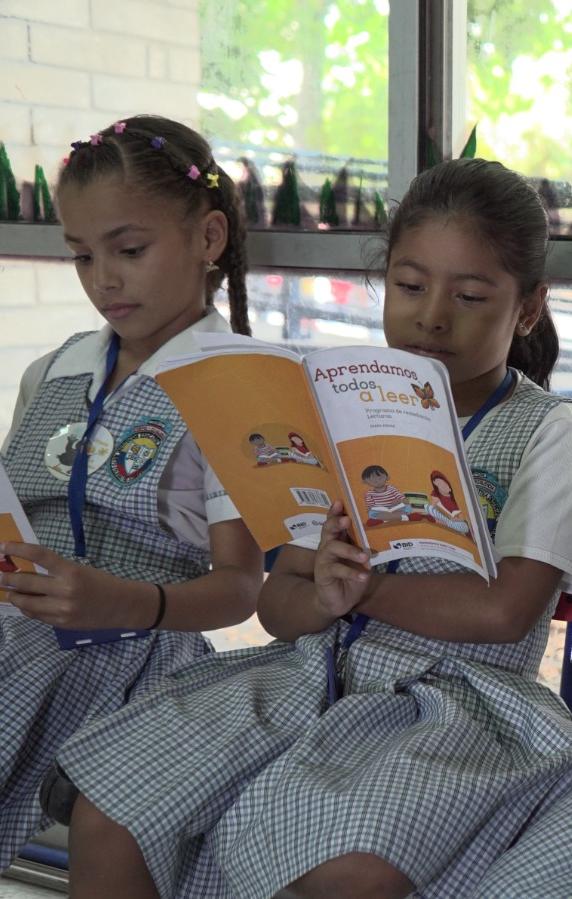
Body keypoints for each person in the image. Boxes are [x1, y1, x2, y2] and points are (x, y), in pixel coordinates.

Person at [50, 157, 572, 899]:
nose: (431, 316)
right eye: (410, 285)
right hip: (309, 674)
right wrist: (320, 596)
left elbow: (504, 611)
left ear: (526, 310)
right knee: (111, 813)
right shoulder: (332, 414)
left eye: (472, 295)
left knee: (342, 868)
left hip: (456, 705)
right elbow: (279, 601)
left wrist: (353, 592)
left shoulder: (548, 433)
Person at [0, 114, 263, 869]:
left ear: (208, 240)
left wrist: (127, 601)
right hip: (24, 635)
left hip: (138, 655)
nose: (104, 279)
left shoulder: (238, 387)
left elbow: (240, 586)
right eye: (82, 256)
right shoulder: (56, 369)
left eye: (130, 250)